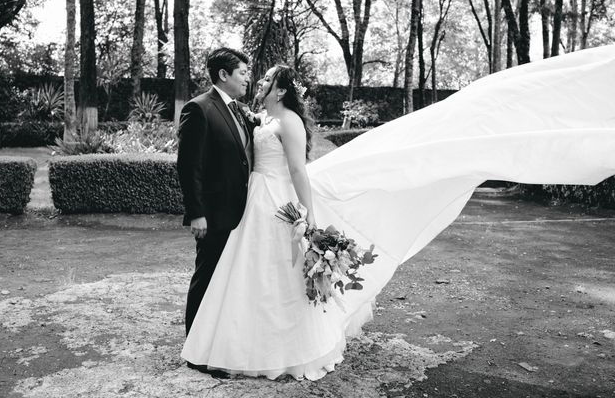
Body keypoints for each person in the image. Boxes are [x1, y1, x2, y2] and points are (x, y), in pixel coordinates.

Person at [181, 45, 615, 380]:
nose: (252, 81)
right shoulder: (258, 117)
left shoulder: (287, 122)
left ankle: (275, 347)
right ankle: (229, 339)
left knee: (273, 276)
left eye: (262, 79)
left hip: (277, 203)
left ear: (278, 89)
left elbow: (297, 169)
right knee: (247, 276)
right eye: (244, 74)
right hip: (254, 204)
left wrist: (308, 217)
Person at [176, 47, 255, 347]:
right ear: (223, 75)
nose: (248, 79)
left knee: (229, 280)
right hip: (213, 213)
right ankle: (195, 344)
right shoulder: (199, 109)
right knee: (207, 276)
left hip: (241, 211)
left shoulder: (238, 110)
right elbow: (188, 165)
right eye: (243, 73)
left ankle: (219, 340)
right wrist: (197, 213)